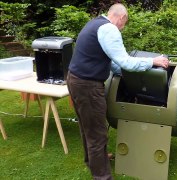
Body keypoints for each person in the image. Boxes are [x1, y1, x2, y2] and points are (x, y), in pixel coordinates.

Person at [67, 3, 169, 180]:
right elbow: (126, 62)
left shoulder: (94, 23)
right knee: (98, 133)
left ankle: (92, 160)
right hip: (88, 86)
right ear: (121, 18)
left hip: (75, 79)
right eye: (124, 24)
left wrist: (127, 75)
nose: (122, 29)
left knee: (87, 126)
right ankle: (102, 176)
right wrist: (154, 62)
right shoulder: (110, 30)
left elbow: (112, 62)